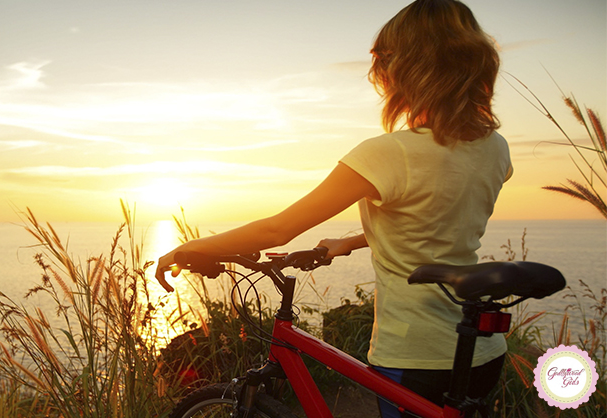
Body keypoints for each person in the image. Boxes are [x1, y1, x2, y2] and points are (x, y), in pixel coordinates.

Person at [154, 0, 509, 416]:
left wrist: (189, 249)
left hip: (415, 354)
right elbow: (437, 221)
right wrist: (352, 241)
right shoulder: (493, 147)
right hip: (481, 350)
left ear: (411, 67)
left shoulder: (389, 153)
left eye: (386, 59)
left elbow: (276, 230)